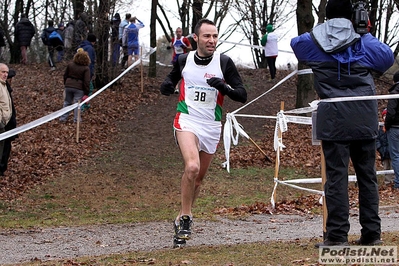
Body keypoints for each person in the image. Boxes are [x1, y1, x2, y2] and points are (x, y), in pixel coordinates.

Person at [291, 0, 394, 247]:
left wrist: (322, 31)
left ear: (326, 16)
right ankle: (372, 234)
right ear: (353, 16)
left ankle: (336, 236)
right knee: (367, 176)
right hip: (363, 117)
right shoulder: (363, 41)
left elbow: (297, 45)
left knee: (336, 177)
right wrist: (363, 32)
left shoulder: (313, 42)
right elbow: (386, 59)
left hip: (333, 118)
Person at [160, 18, 247, 248]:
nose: (212, 40)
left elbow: (241, 94)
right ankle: (188, 218)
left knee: (197, 180)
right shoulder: (184, 59)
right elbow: (171, 79)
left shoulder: (224, 62)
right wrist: (167, 86)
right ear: (196, 38)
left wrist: (224, 88)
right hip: (187, 119)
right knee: (192, 167)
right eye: (207, 36)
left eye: (215, 36)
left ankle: (180, 217)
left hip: (211, 125)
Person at [59, 49, 90, 123]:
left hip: (68, 86)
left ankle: (63, 118)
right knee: (77, 104)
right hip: (79, 88)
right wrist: (86, 92)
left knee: (67, 102)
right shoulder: (86, 68)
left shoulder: (70, 65)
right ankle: (77, 120)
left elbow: (65, 75)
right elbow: (86, 81)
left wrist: (66, 84)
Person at [0, 69, 17, 176]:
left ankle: (2, 167)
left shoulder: (7, 88)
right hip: (3, 124)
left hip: (8, 123)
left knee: (6, 147)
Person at [384, 71, 399, 189]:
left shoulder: (394, 93)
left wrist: (386, 125)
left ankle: (398, 182)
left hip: (395, 128)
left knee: (396, 155)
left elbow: (391, 113)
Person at [168, 27, 192, 94]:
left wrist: (185, 47)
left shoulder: (184, 39)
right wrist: (169, 47)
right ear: (176, 32)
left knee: (183, 73)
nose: (178, 33)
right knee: (176, 73)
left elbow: (190, 47)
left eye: (179, 31)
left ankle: (185, 87)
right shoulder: (173, 39)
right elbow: (172, 45)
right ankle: (176, 88)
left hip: (183, 58)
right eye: (177, 31)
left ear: (181, 32)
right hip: (175, 58)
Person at [78, 33, 96, 111]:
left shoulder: (80, 47)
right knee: (89, 89)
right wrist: (91, 73)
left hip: (78, 72)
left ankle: (84, 105)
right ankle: (84, 106)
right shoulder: (90, 49)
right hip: (86, 73)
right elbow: (90, 62)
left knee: (82, 89)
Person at [376, 108, 394, 184]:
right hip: (384, 152)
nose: (385, 117)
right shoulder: (380, 129)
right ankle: (387, 182)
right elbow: (377, 140)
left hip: (392, 152)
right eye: (384, 115)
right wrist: (380, 148)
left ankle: (394, 182)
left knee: (393, 167)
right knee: (386, 168)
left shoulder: (393, 128)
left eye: (387, 115)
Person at [0, 64, 12, 166]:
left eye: (6, 72)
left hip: (4, 123)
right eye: (3, 72)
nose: (5, 74)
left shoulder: (3, 84)